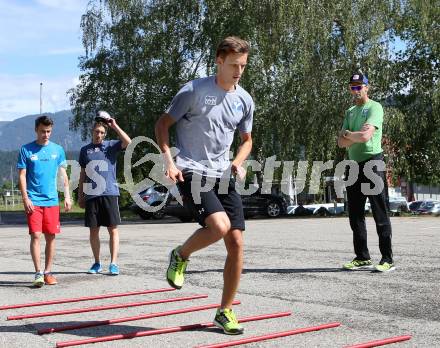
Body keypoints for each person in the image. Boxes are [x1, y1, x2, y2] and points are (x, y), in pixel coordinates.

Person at [155, 36, 254, 335]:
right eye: (234, 65)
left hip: (223, 174)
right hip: (190, 170)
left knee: (236, 244)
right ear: (219, 61)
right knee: (219, 226)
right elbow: (162, 125)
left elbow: (247, 141)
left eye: (244, 66)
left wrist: (238, 161)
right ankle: (180, 255)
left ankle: (224, 311)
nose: (239, 71)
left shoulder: (245, 100)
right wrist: (169, 161)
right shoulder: (194, 91)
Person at [337, 72, 394, 272]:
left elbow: (365, 136)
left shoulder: (374, 107)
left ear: (367, 87)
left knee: (379, 211)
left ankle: (387, 259)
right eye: (353, 86)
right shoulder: (350, 111)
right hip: (353, 165)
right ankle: (362, 257)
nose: (356, 90)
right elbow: (340, 141)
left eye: (359, 86)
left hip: (372, 162)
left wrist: (350, 134)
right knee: (355, 214)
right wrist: (354, 135)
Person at [17, 115, 72, 287]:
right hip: (33, 199)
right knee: (35, 235)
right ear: (36, 130)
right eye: (42, 131)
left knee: (51, 237)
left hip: (52, 200)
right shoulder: (26, 150)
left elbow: (63, 175)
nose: (46, 134)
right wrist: (25, 197)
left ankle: (48, 272)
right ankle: (38, 273)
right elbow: (22, 175)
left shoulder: (58, 150)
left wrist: (68, 196)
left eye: (48, 131)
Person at [78, 113, 131, 275]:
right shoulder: (85, 150)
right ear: (92, 132)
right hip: (92, 195)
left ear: (105, 134)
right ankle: (96, 263)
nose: (99, 135)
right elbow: (82, 174)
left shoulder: (111, 146)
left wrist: (114, 125)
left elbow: (128, 142)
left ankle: (114, 263)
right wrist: (80, 195)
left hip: (109, 193)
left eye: (102, 132)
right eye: (96, 132)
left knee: (112, 229)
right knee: (93, 230)